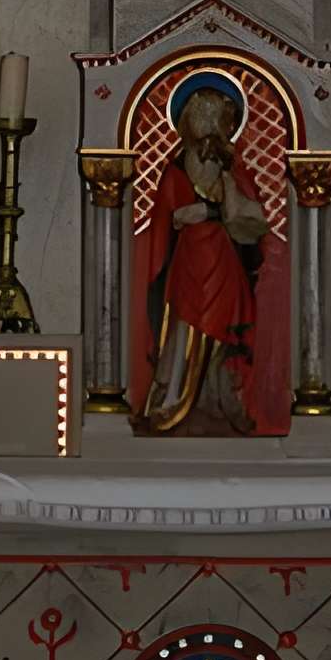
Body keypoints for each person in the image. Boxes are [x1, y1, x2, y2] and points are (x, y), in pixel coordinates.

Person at [139, 86, 269, 434]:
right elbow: (170, 218)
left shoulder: (231, 169)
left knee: (219, 336)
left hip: (223, 262)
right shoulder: (177, 170)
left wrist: (215, 203)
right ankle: (174, 402)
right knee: (184, 332)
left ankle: (218, 402)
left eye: (219, 120)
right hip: (189, 262)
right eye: (204, 116)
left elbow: (249, 218)